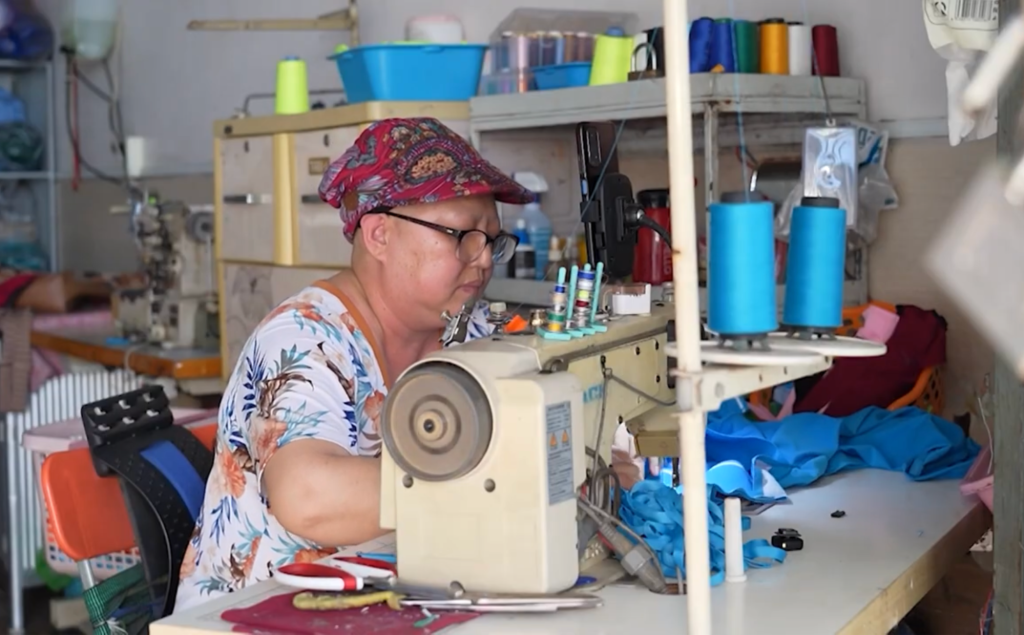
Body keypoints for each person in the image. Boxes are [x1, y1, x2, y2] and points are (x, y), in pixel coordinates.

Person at [174, 117, 533, 612]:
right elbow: (308, 498)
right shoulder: (304, 338)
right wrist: (495, 481)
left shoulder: (472, 332)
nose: (485, 259)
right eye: (463, 236)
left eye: (492, 240)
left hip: (385, 602)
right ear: (379, 234)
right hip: (253, 615)